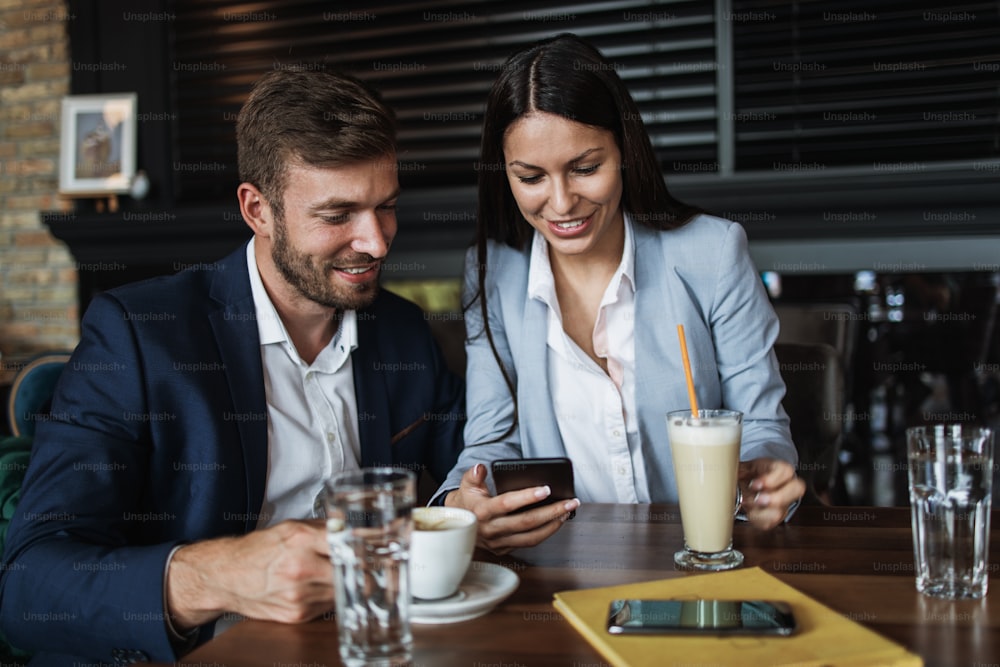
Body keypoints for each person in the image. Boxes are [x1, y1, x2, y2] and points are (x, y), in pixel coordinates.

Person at [0, 68, 465, 664]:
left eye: (387, 207)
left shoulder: (400, 330)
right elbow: (29, 581)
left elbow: (470, 462)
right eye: (337, 214)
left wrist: (470, 500)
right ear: (257, 209)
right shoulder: (139, 336)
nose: (376, 242)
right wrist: (218, 577)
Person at [438, 34, 805, 553]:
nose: (562, 203)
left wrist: (764, 475)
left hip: (701, 562)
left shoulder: (712, 252)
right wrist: (462, 500)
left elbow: (762, 425)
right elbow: (490, 440)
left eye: (586, 168)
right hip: (563, 572)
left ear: (625, 152)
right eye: (531, 177)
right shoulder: (491, 274)